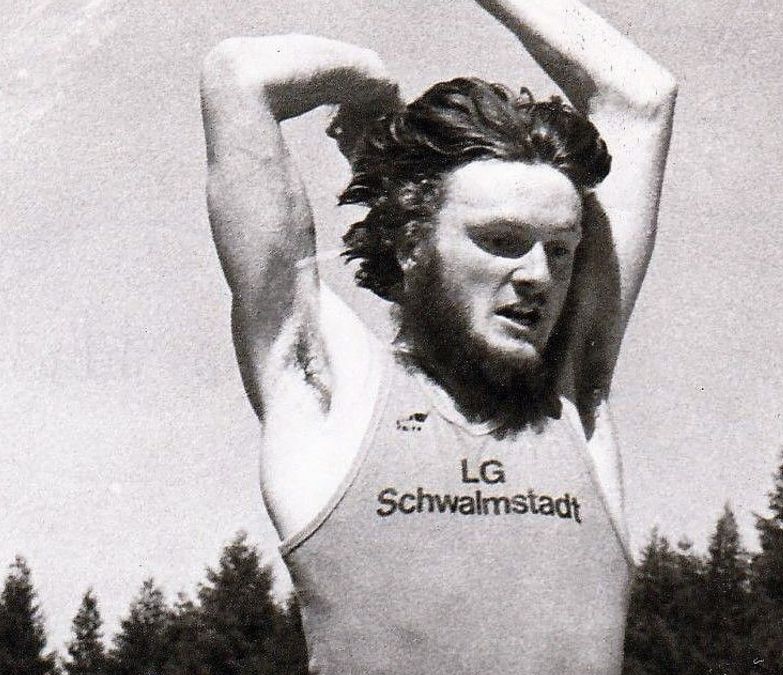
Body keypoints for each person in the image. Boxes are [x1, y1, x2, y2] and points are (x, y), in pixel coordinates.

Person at [200, 1, 676, 671]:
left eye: (560, 250)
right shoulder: (330, 391)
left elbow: (642, 97)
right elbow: (238, 75)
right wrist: (368, 85)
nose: (539, 275)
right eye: (501, 241)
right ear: (411, 241)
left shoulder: (575, 400)